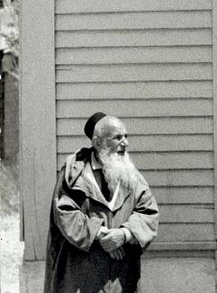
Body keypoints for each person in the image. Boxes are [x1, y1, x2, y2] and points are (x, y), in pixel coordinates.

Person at [45, 112, 159, 293]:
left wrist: (124, 234)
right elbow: (65, 214)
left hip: (120, 278)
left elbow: (148, 212)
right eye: (118, 138)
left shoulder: (131, 175)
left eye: (126, 137)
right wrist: (101, 234)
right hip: (82, 276)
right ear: (98, 142)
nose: (126, 143)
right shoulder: (73, 175)